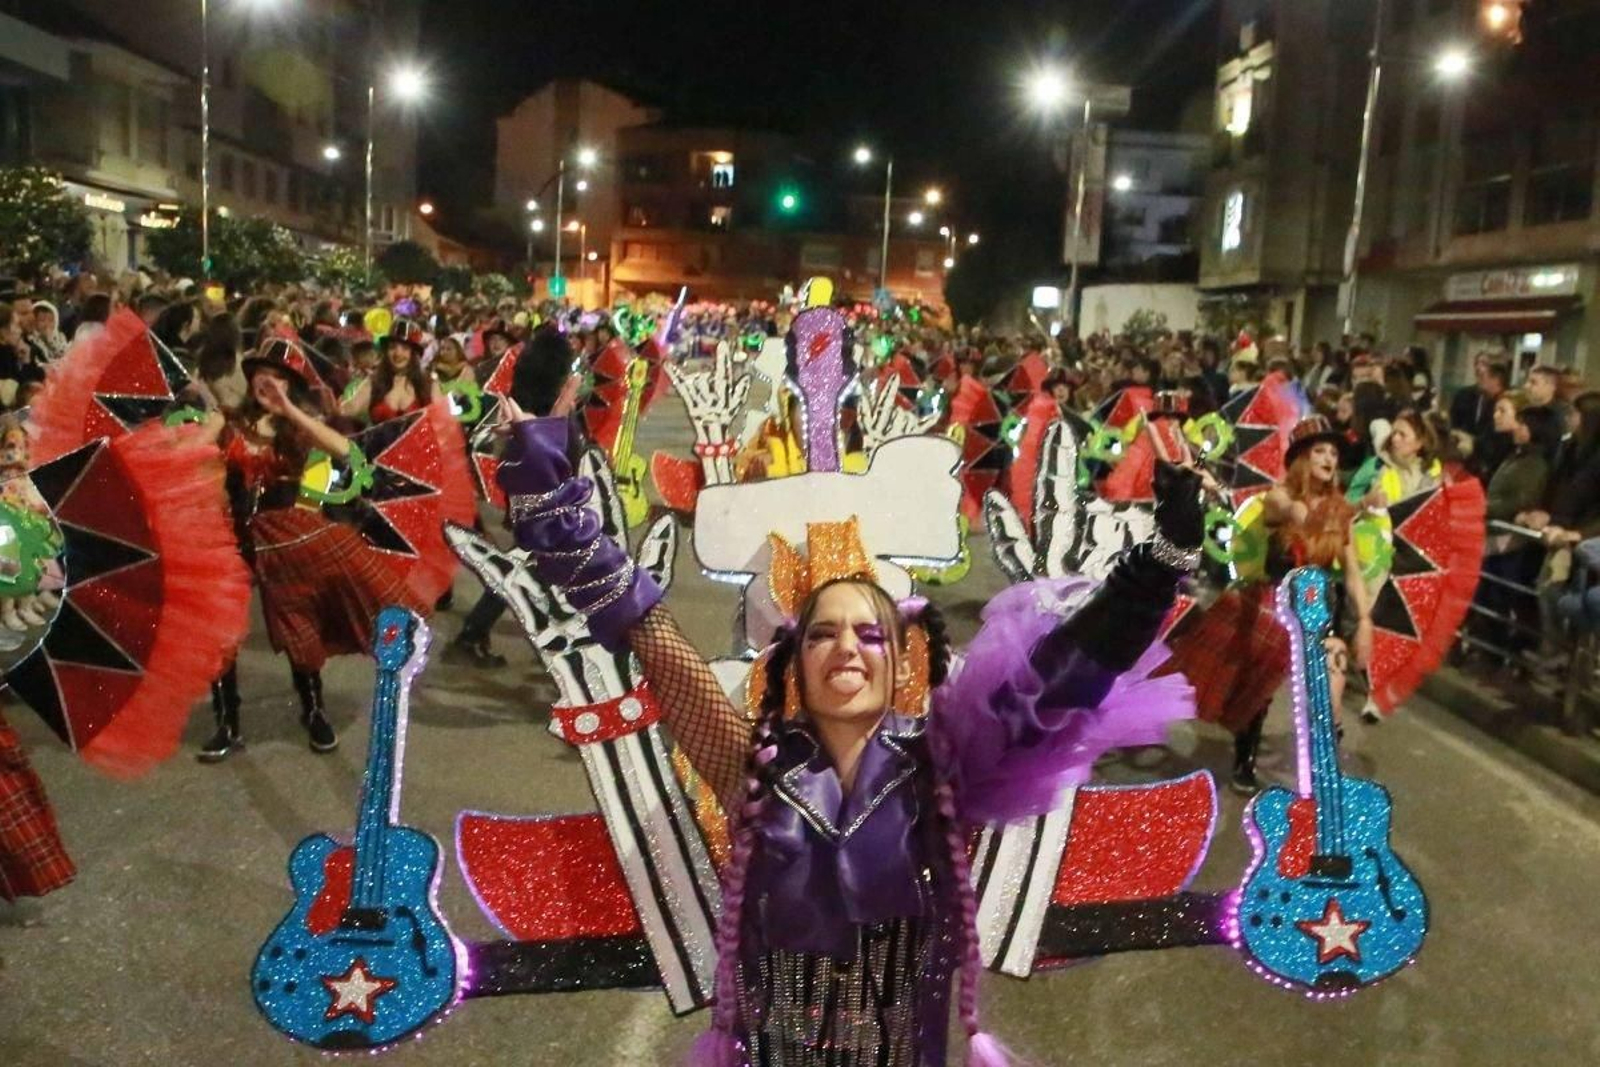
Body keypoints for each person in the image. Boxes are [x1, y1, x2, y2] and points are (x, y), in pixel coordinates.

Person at [497, 382, 1202, 1066]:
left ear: (901, 661)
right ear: (791, 664)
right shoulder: (750, 765)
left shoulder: (946, 775)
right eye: (821, 633)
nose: (845, 646)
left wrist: (1158, 564)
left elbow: (1064, 675)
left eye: (870, 633)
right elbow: (644, 625)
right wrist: (543, 473)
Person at [197, 340, 425, 759]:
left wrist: (290, 411)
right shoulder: (225, 420)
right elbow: (189, 460)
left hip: (285, 535)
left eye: (282, 377)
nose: (271, 382)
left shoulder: (300, 426)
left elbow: (347, 451)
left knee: (298, 627)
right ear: (251, 377)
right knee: (219, 630)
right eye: (265, 373)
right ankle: (227, 723)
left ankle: (314, 710)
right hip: (230, 536)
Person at [1162, 415, 1372, 793]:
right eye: (1319, 451)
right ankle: (1246, 758)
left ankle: (1322, 770)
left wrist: (1367, 621)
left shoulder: (1341, 510)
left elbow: (1353, 571)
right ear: (1301, 460)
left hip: (1320, 611)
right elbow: (1294, 514)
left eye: (1334, 452)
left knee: (1331, 699)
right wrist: (1330, 512)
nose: (1328, 458)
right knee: (1257, 688)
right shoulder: (1279, 497)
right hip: (1275, 606)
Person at [342, 319, 432, 424]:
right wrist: (334, 408)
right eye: (392, 347)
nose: (398, 353)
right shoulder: (373, 383)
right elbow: (349, 409)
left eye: (405, 348)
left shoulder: (428, 384)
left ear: (413, 354)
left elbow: (443, 423)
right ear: (386, 351)